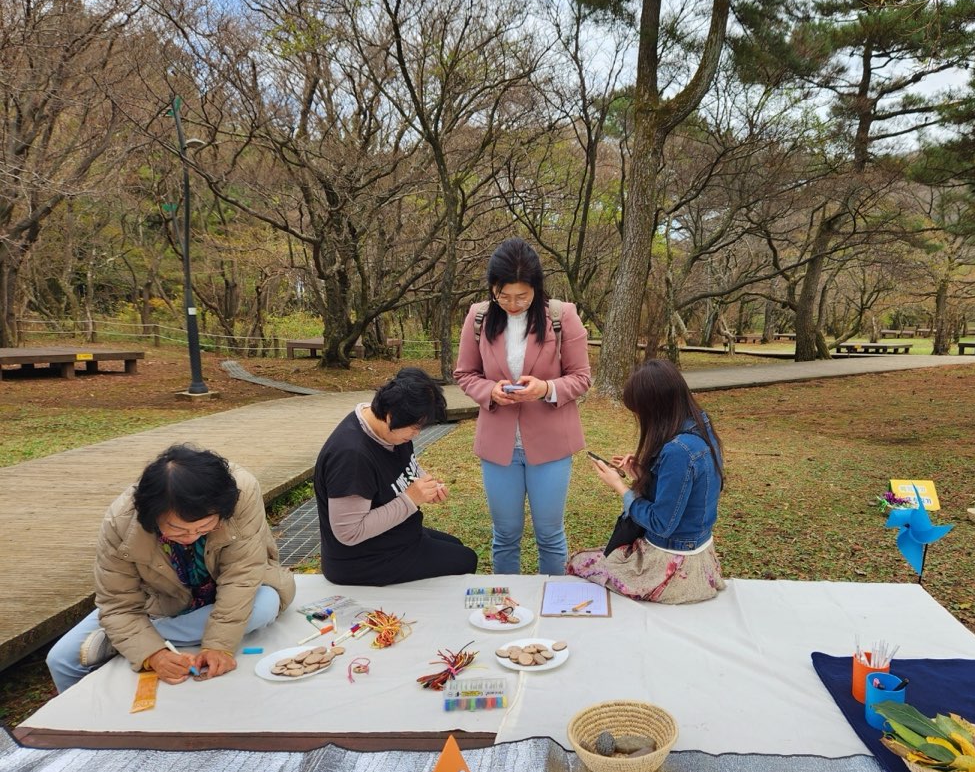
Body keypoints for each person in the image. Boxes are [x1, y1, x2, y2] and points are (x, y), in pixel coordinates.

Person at [46, 445, 297, 692]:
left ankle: (118, 642)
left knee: (264, 605)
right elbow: (118, 603)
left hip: (229, 594)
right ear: (152, 516)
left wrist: (218, 646)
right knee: (62, 659)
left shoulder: (240, 492)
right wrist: (154, 654)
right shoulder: (120, 523)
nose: (190, 537)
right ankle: (85, 728)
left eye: (204, 528)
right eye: (177, 530)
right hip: (160, 601)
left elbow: (241, 575)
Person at [453, 237, 592, 574]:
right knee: (505, 534)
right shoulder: (478, 317)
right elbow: (465, 373)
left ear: (536, 287)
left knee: (549, 533)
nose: (512, 304)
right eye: (503, 295)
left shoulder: (562, 316)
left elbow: (582, 377)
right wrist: (490, 391)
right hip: (499, 447)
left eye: (522, 296)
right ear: (492, 288)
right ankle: (507, 612)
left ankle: (552, 606)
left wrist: (545, 388)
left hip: (551, 445)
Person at [568, 359, 726, 604]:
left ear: (655, 409)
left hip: (672, 565)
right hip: (700, 553)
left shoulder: (678, 451)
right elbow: (689, 491)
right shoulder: (700, 426)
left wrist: (620, 487)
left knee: (579, 562)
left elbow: (662, 523)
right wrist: (643, 474)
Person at [314, 367, 477, 585]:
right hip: (362, 560)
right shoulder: (351, 456)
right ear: (391, 415)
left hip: (394, 535)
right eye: (415, 427)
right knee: (465, 560)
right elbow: (349, 532)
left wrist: (426, 484)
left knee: (456, 545)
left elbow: (404, 468)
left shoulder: (389, 429)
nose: (416, 434)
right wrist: (411, 499)